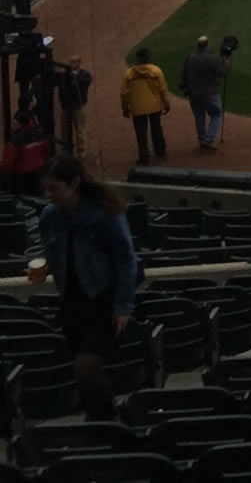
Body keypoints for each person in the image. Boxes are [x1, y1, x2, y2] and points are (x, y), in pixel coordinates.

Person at [28, 156, 140, 421]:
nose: (49, 195)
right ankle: (99, 422)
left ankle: (106, 421)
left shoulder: (103, 211)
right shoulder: (50, 216)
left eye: (55, 188)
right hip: (71, 302)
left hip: (103, 301)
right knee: (83, 369)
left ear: (75, 183)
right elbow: (53, 253)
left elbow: (127, 258)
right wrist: (44, 269)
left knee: (86, 365)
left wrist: (123, 305)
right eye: (46, 189)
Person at [121, 47, 170, 165]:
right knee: (156, 128)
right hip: (154, 105)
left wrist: (125, 108)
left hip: (138, 107)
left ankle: (144, 157)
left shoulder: (129, 73)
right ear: (147, 58)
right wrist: (166, 103)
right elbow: (163, 90)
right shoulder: (156, 71)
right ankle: (160, 151)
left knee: (141, 133)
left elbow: (124, 93)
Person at [180, 36, 228, 153]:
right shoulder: (211, 58)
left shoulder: (190, 57)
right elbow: (221, 73)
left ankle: (202, 141)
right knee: (216, 114)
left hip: (194, 94)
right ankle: (209, 139)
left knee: (199, 117)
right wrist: (224, 63)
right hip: (209, 94)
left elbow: (184, 75)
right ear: (207, 45)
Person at [1, 103, 51, 197]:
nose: (12, 126)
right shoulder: (41, 136)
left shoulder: (15, 140)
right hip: (38, 176)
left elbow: (7, 164)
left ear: (21, 124)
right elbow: (46, 154)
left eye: (14, 123)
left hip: (20, 179)